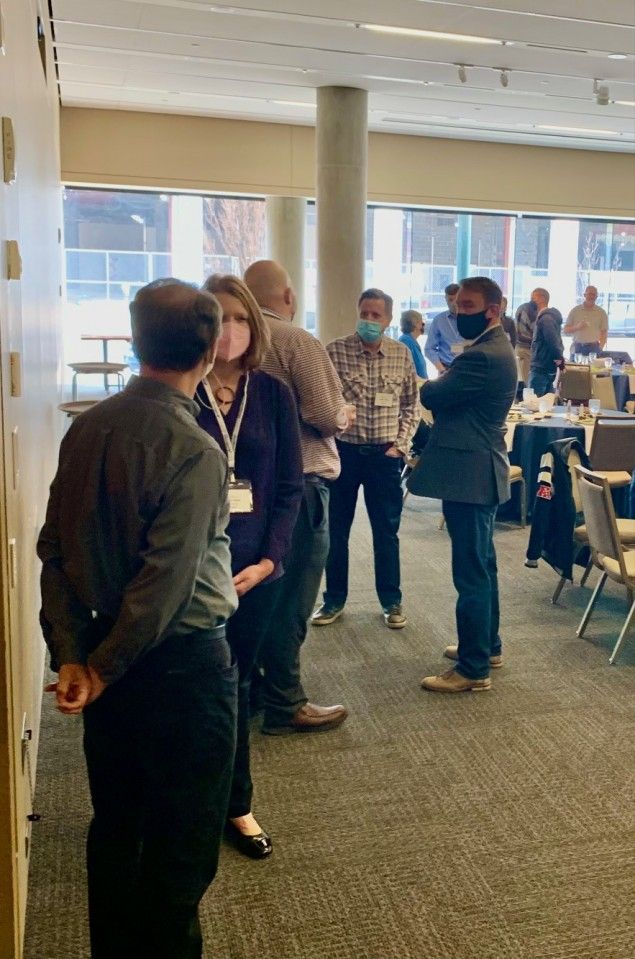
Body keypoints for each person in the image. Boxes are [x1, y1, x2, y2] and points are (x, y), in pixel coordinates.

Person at [37, 279, 239, 959]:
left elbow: (55, 552)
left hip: (105, 657)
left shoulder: (85, 428)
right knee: (179, 855)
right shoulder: (195, 449)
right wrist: (97, 667)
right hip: (182, 670)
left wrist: (76, 655)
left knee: (118, 830)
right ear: (209, 352)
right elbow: (165, 588)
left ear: (134, 341)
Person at [197, 274, 303, 857]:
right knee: (194, 689)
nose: (231, 330)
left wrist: (269, 559)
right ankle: (189, 801)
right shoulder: (183, 392)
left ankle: (237, 804)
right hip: (192, 572)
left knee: (237, 686)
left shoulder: (272, 395)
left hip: (256, 571)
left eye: (240, 318)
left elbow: (289, 487)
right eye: (219, 318)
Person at [243, 259, 352, 735]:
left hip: (246, 492)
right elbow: (325, 415)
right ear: (288, 297)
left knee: (258, 593)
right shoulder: (295, 340)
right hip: (300, 487)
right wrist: (345, 414)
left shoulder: (227, 341)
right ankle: (286, 702)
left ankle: (253, 689)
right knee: (292, 598)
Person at [407, 276, 517, 692]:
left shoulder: (482, 356)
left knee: (471, 572)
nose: (458, 314)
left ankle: (473, 669)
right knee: (482, 565)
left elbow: (432, 396)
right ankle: (485, 646)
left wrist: (441, 383)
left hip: (470, 474)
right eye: (456, 306)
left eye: (468, 307)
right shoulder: (494, 348)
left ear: (494, 310)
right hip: (478, 469)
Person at [313, 288, 419, 629]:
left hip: (384, 456)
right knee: (337, 531)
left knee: (386, 532)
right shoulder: (335, 351)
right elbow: (322, 401)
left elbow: (411, 405)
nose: (369, 320)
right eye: (365, 314)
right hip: (344, 453)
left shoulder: (401, 354)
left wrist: (400, 446)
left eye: (376, 315)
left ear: (388, 319)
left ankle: (391, 601)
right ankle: (333, 599)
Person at [528, 288, 564, 397]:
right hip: (546, 366)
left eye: (533, 298)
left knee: (534, 402)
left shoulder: (546, 319)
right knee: (545, 401)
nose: (531, 301)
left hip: (541, 366)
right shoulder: (549, 317)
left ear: (542, 298)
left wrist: (560, 361)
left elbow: (552, 342)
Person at [424, 282, 464, 373]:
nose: (454, 303)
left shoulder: (471, 318)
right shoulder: (439, 320)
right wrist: (441, 369)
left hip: (467, 368)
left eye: (457, 299)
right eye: (450, 300)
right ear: (445, 299)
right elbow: (429, 348)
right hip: (446, 368)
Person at [564, 285, 608, 357]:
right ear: (584, 295)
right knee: (574, 365)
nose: (592, 296)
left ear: (596, 297)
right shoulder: (575, 311)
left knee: (594, 365)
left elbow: (604, 332)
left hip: (594, 348)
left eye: (594, 294)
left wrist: (600, 348)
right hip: (577, 347)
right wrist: (577, 327)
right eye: (589, 294)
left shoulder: (601, 313)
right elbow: (565, 330)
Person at [514, 297, 538, 386]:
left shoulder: (532, 310)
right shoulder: (527, 310)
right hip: (525, 349)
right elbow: (521, 334)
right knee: (525, 383)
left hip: (528, 350)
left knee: (526, 381)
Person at [399, 309, 427, 378]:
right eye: (421, 322)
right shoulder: (405, 341)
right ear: (415, 324)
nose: (423, 324)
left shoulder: (411, 341)